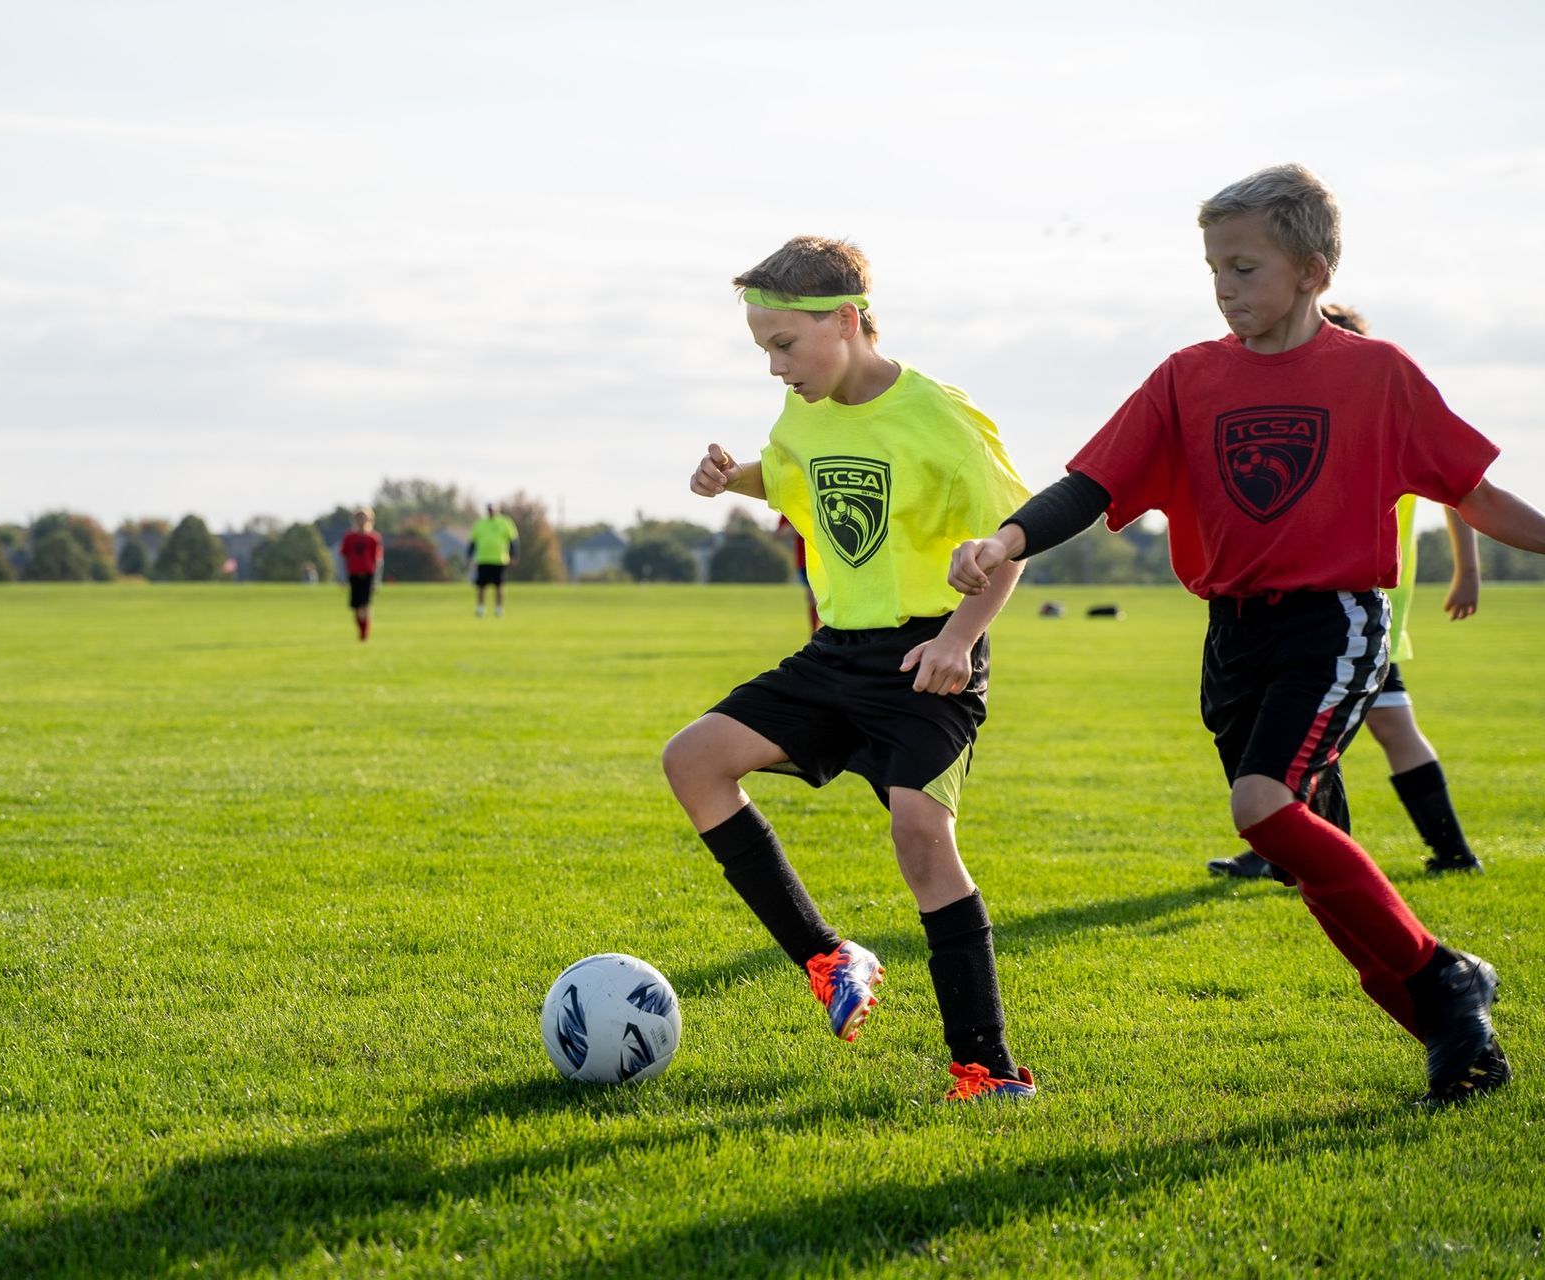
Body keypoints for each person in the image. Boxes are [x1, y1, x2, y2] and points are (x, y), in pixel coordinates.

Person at [949, 165, 1545, 1106]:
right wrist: (1009, 537)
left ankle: (1445, 981)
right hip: (1231, 637)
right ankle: (1449, 1034)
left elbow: (1471, 491)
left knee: (1264, 808)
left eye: (1245, 269)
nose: (1225, 290)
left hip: (1337, 620)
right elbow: (1096, 484)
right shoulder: (1187, 377)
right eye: (1214, 271)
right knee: (1314, 862)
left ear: (1311, 271)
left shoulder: (1377, 372)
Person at [662, 235, 1037, 1102]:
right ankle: (828, 958)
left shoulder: (941, 417)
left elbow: (1013, 540)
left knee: (920, 835)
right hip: (836, 653)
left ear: (847, 319)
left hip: (928, 654)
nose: (773, 367)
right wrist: (735, 479)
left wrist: (959, 639)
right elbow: (798, 480)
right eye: (762, 349)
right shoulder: (803, 413)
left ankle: (987, 1069)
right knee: (694, 761)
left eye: (783, 345)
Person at [1210, 304, 1484, 879]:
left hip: (1354, 612)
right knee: (1355, 732)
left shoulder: (1375, 413)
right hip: (1350, 614)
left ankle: (1291, 849)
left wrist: (1468, 571)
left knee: (1306, 736)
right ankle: (1438, 853)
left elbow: (1463, 488)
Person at [467, 502, 519, 617]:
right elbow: (473, 541)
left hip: (499, 559)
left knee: (499, 585)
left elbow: (513, 540)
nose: (491, 512)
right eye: (489, 510)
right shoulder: (480, 524)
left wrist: (514, 555)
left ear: (497, 510)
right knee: (481, 586)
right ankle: (481, 609)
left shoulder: (505, 522)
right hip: (483, 559)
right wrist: (470, 556)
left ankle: (499, 609)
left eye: (493, 510)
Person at [339, 508, 384, 642]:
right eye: (359, 518)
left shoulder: (373, 538)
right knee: (357, 606)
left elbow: (378, 560)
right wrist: (342, 577)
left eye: (364, 517)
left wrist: (377, 580)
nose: (361, 521)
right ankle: (361, 630)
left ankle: (364, 634)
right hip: (353, 573)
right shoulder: (349, 537)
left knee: (366, 604)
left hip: (368, 574)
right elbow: (343, 557)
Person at [776, 514, 820, 633]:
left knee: (818, 598)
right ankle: (815, 633)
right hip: (804, 561)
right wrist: (797, 526)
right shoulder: (792, 505)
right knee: (812, 598)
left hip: (824, 559)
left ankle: (818, 634)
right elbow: (780, 533)